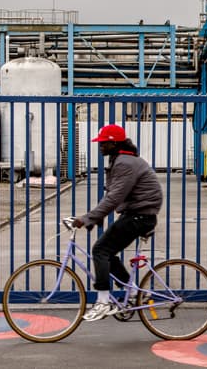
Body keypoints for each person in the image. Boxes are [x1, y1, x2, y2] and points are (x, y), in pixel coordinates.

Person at [72, 124, 163, 321]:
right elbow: (114, 193)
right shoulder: (120, 160)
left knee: (100, 250)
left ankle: (103, 301)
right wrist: (93, 217)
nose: (100, 147)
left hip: (140, 215)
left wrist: (89, 217)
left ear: (113, 143)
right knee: (108, 252)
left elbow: (114, 198)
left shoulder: (125, 162)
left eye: (103, 143)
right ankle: (132, 293)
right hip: (137, 213)